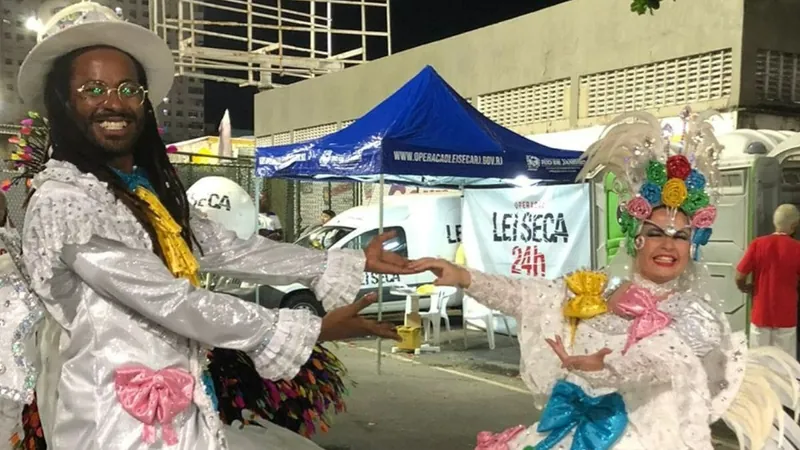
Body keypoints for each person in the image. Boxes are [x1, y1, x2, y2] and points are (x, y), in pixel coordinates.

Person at [11, 3, 417, 449]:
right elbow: (169, 300)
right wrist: (306, 327)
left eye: (128, 87)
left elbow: (232, 249)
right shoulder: (65, 202)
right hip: (110, 423)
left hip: (183, 408)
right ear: (65, 103)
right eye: (92, 88)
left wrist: (341, 260)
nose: (113, 102)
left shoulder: (144, 192)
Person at [411, 110, 800, 449]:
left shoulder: (694, 314)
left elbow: (668, 363)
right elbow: (528, 295)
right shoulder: (595, 291)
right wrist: (464, 276)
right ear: (637, 239)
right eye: (657, 233)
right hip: (573, 432)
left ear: (692, 247)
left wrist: (609, 367)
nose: (669, 245)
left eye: (681, 236)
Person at [736, 203, 800, 357]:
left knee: (758, 363)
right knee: (784, 367)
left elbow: (739, 275)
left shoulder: (758, 244)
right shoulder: (797, 248)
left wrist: (745, 287)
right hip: (786, 316)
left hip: (760, 315)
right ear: (794, 225)